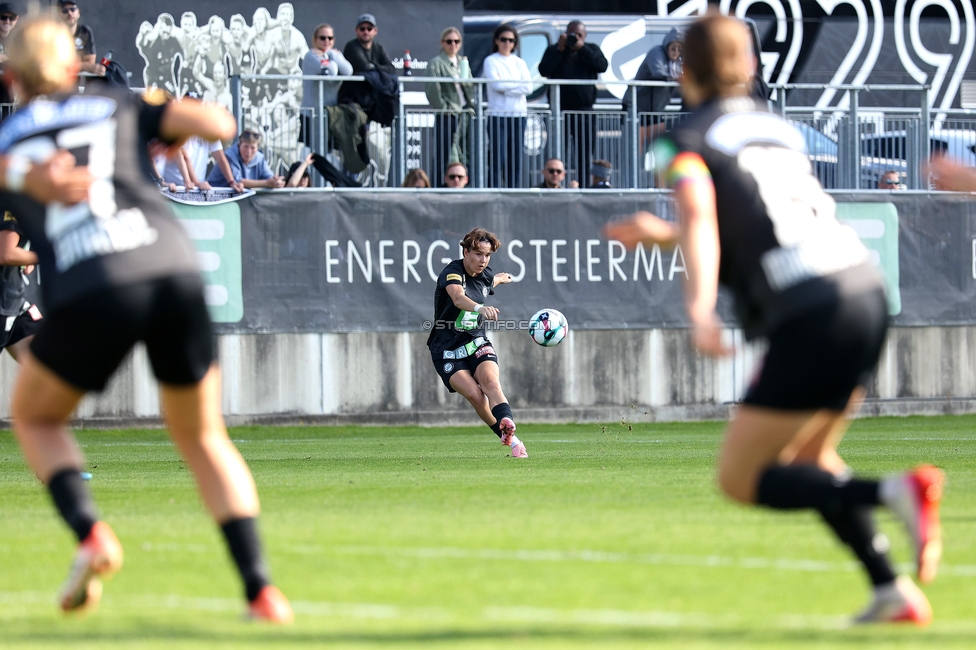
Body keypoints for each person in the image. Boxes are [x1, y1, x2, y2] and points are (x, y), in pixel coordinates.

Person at [604, 13, 942, 625]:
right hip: (863, 288)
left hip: (809, 308)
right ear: (751, 65)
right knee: (812, 461)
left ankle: (894, 491)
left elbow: (706, 218)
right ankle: (891, 589)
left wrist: (699, 306)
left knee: (741, 478)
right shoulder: (778, 129)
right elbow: (754, 218)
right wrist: (666, 236)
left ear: (684, 68)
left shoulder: (678, 140)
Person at [0, 14, 293, 622]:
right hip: (172, 266)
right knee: (204, 436)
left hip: (91, 282)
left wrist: (35, 178)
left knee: (33, 416)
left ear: (10, 78)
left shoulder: (13, 137)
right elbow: (218, 124)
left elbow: (15, 172)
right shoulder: (115, 102)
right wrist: (170, 131)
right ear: (75, 66)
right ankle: (261, 591)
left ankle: (90, 533)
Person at [427, 228, 526, 458]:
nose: (483, 260)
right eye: (479, 254)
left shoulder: (485, 274)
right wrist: (481, 308)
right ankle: (509, 438)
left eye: (488, 255)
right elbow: (458, 297)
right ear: (466, 252)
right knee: (475, 395)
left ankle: (507, 421)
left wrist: (502, 278)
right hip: (446, 348)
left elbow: (491, 281)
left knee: (491, 382)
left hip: (475, 339)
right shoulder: (452, 272)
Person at [538, 20, 608, 186]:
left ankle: (583, 187)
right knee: (557, 153)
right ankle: (554, 187)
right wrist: (559, 50)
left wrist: (582, 48)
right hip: (559, 111)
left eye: (579, 35)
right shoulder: (556, 49)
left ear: (585, 36)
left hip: (584, 111)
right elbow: (543, 70)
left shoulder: (591, 49)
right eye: (572, 35)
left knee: (584, 154)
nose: (574, 38)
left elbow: (602, 66)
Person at [484, 24, 532, 189]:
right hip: (498, 114)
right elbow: (497, 85)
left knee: (515, 159)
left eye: (511, 40)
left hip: (518, 114)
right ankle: (494, 192)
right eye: (504, 39)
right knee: (498, 158)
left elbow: (528, 87)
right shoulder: (491, 61)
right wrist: (515, 86)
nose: (507, 43)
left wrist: (508, 89)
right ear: (497, 40)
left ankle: (514, 192)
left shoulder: (520, 62)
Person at [425, 26, 475, 185]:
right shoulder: (436, 63)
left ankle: (464, 187)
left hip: (465, 113)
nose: (453, 44)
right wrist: (444, 109)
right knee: (445, 155)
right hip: (448, 114)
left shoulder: (463, 62)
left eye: (456, 41)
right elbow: (432, 89)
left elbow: (470, 87)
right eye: (449, 41)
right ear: (442, 43)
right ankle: (440, 188)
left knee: (465, 154)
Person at [301, 23, 352, 146]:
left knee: (331, 152)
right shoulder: (311, 56)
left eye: (330, 38)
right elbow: (331, 71)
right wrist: (333, 56)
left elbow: (348, 71)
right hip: (312, 114)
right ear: (315, 39)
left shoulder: (331, 55)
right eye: (322, 38)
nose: (327, 41)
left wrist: (333, 55)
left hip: (331, 114)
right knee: (313, 154)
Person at [206, 130, 285, 190]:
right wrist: (267, 183)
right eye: (246, 146)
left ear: (257, 148)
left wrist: (276, 181)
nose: (249, 151)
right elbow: (238, 182)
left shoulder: (260, 158)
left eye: (252, 148)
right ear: (239, 145)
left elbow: (269, 177)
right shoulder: (229, 156)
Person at [58, 1, 103, 77]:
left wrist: (72, 65)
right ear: (59, 15)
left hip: (81, 80)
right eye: (65, 11)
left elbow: (90, 62)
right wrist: (83, 65)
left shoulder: (85, 31)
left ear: (78, 12)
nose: (69, 13)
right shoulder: (54, 33)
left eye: (72, 9)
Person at [0, 1, 20, 110]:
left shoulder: (19, 38)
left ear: (16, 19)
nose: (7, 21)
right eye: (3, 17)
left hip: (11, 98)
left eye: (11, 18)